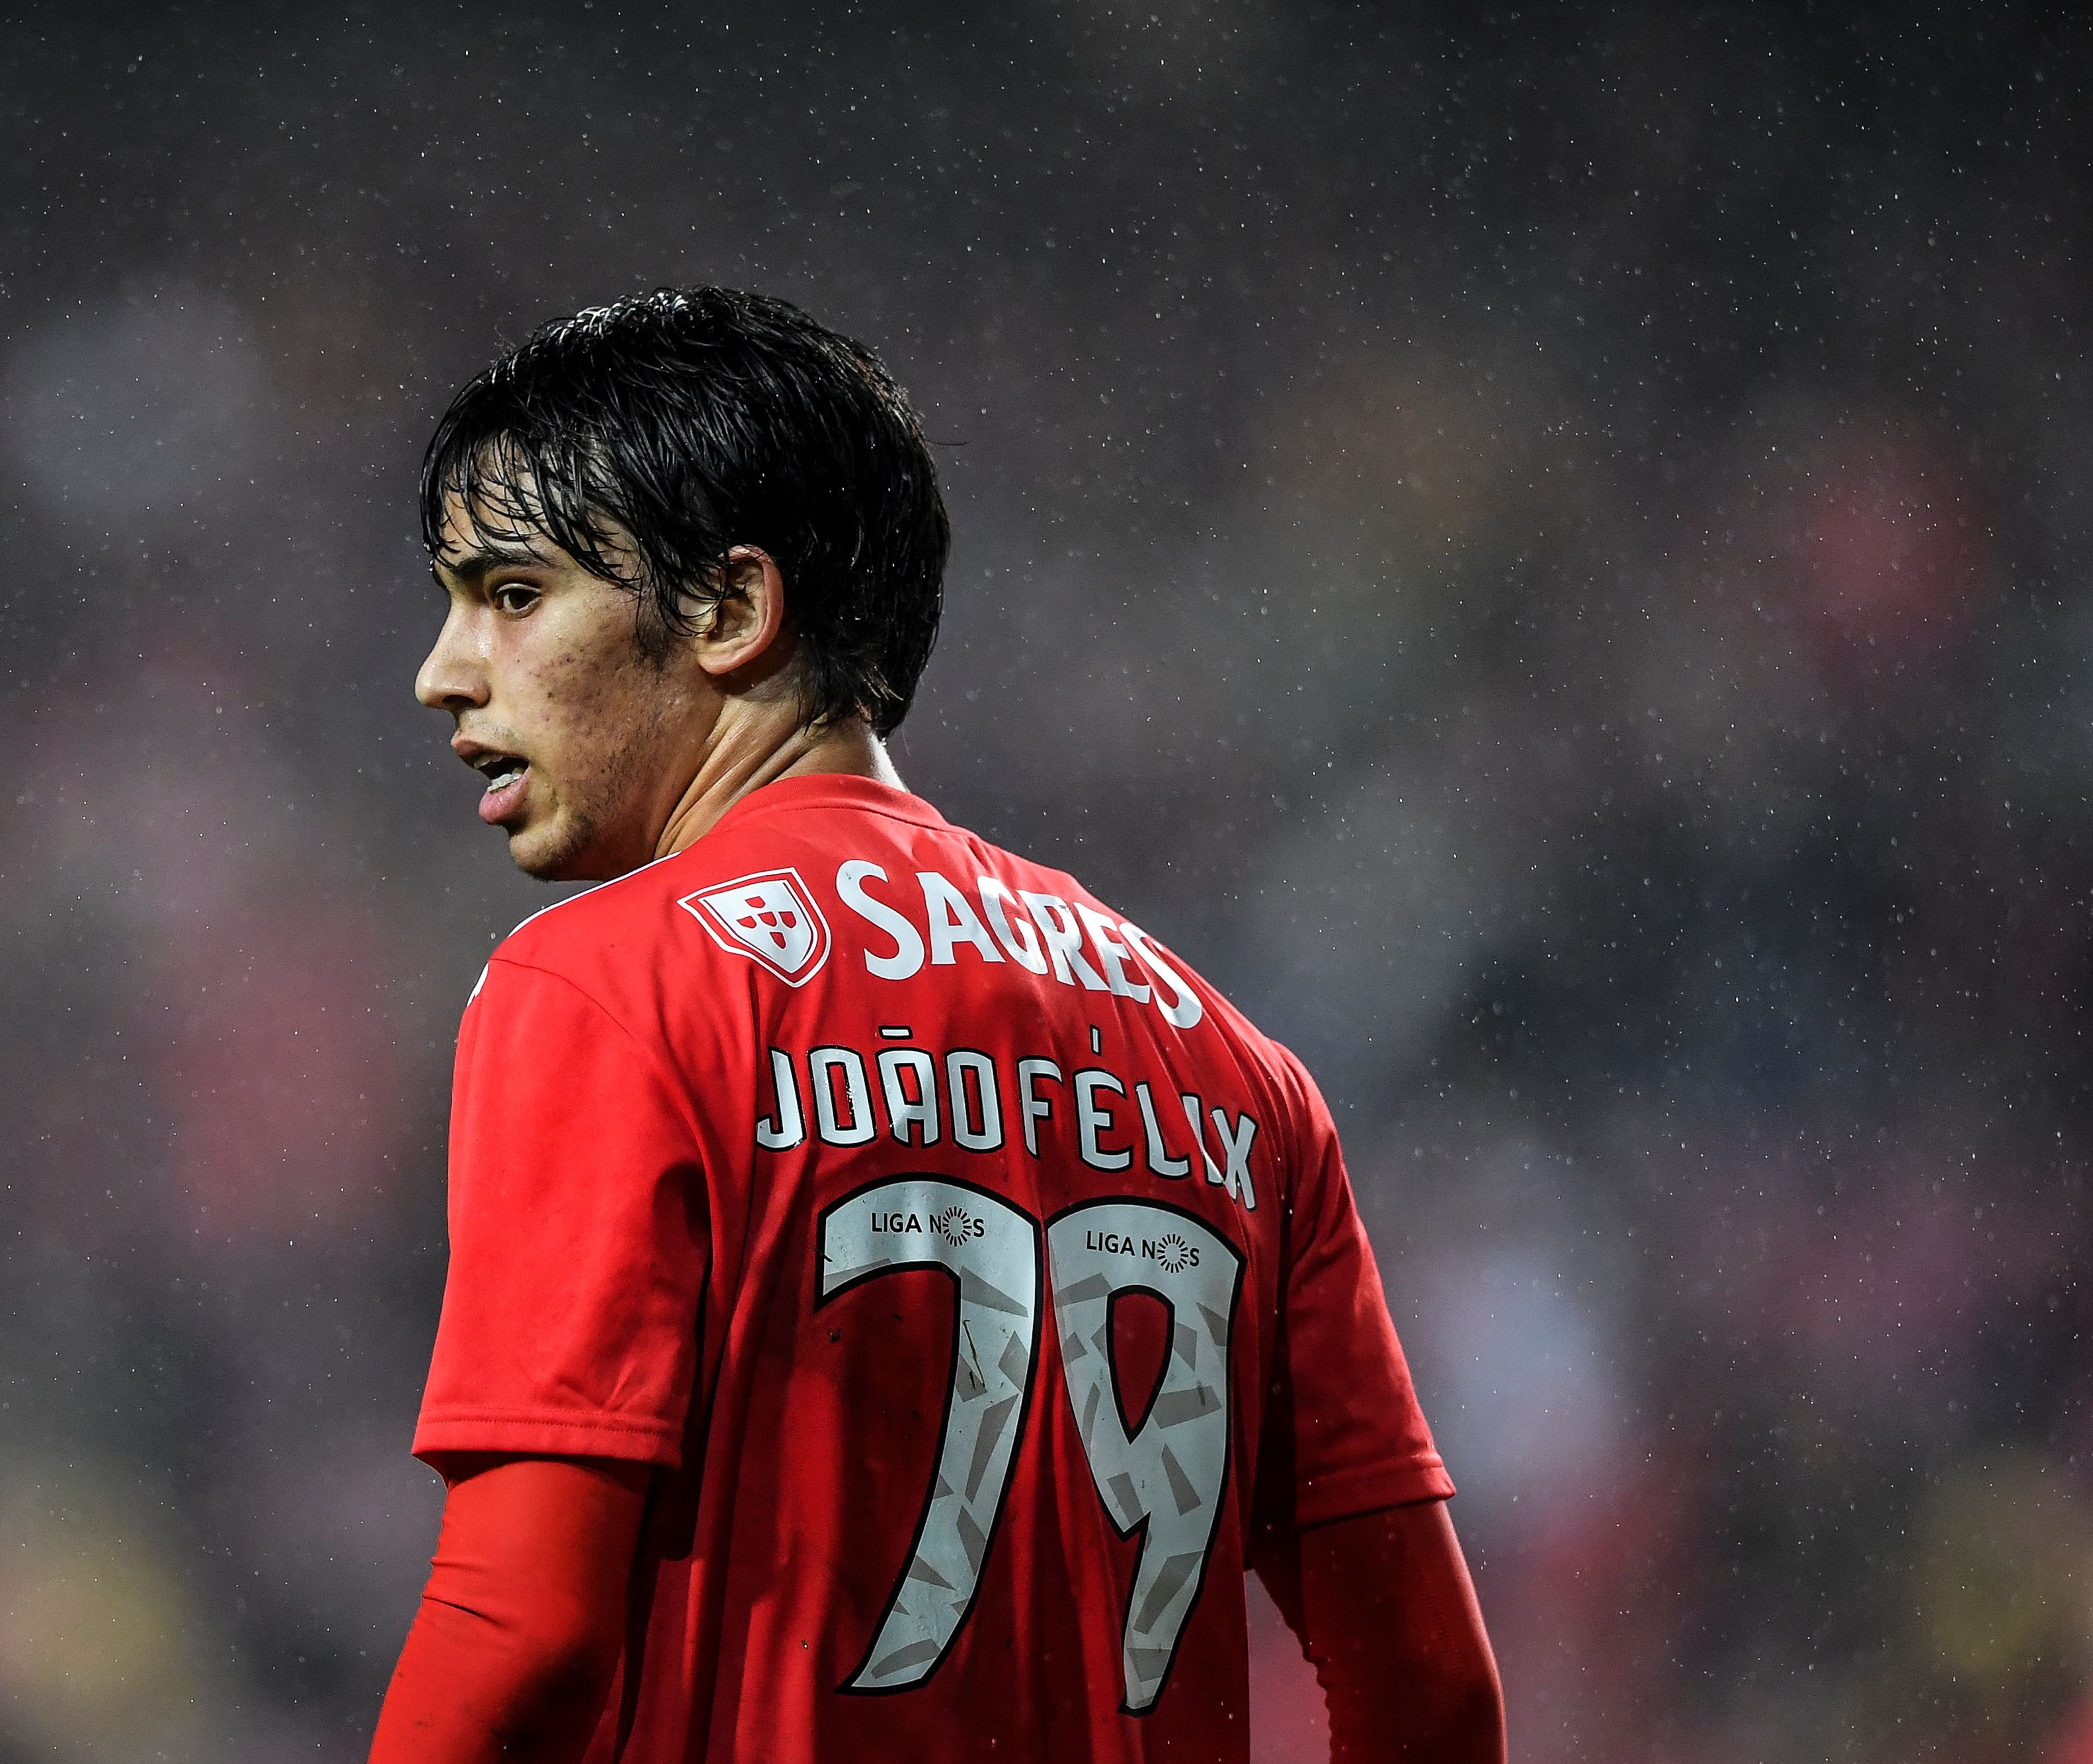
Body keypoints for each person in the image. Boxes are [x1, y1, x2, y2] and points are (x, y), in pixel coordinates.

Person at [368, 288, 1504, 1763]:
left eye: (511, 594)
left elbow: (522, 1629)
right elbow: (1430, 1689)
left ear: (728, 610)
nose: (443, 669)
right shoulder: (1231, 1064)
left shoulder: (608, 985)